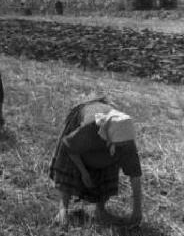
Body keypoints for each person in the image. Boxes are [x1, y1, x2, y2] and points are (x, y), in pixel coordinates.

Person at [49, 97, 142, 228]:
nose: (124, 148)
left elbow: (135, 174)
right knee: (70, 163)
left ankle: (100, 209)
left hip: (106, 141)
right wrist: (84, 173)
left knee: (110, 160)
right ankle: (63, 209)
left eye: (124, 145)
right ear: (110, 136)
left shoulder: (126, 139)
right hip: (77, 139)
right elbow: (69, 147)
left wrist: (137, 211)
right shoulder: (89, 129)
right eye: (120, 144)